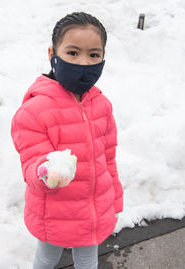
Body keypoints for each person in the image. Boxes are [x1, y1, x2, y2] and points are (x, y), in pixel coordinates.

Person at [11, 12, 123, 269]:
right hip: (55, 212)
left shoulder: (102, 105)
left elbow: (108, 157)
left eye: (94, 55)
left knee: (87, 260)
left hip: (94, 208)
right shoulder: (35, 110)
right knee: (48, 258)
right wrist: (46, 171)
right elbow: (30, 163)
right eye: (73, 53)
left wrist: (115, 196)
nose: (84, 63)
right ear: (53, 53)